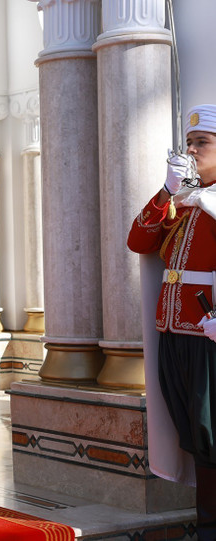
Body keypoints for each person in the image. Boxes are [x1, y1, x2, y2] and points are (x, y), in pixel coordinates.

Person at [127, 104, 216, 540]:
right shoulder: (183, 200)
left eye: (202, 142)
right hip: (174, 333)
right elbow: (139, 240)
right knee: (192, 433)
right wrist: (166, 191)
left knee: (211, 434)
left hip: (209, 335)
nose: (191, 150)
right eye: (189, 142)